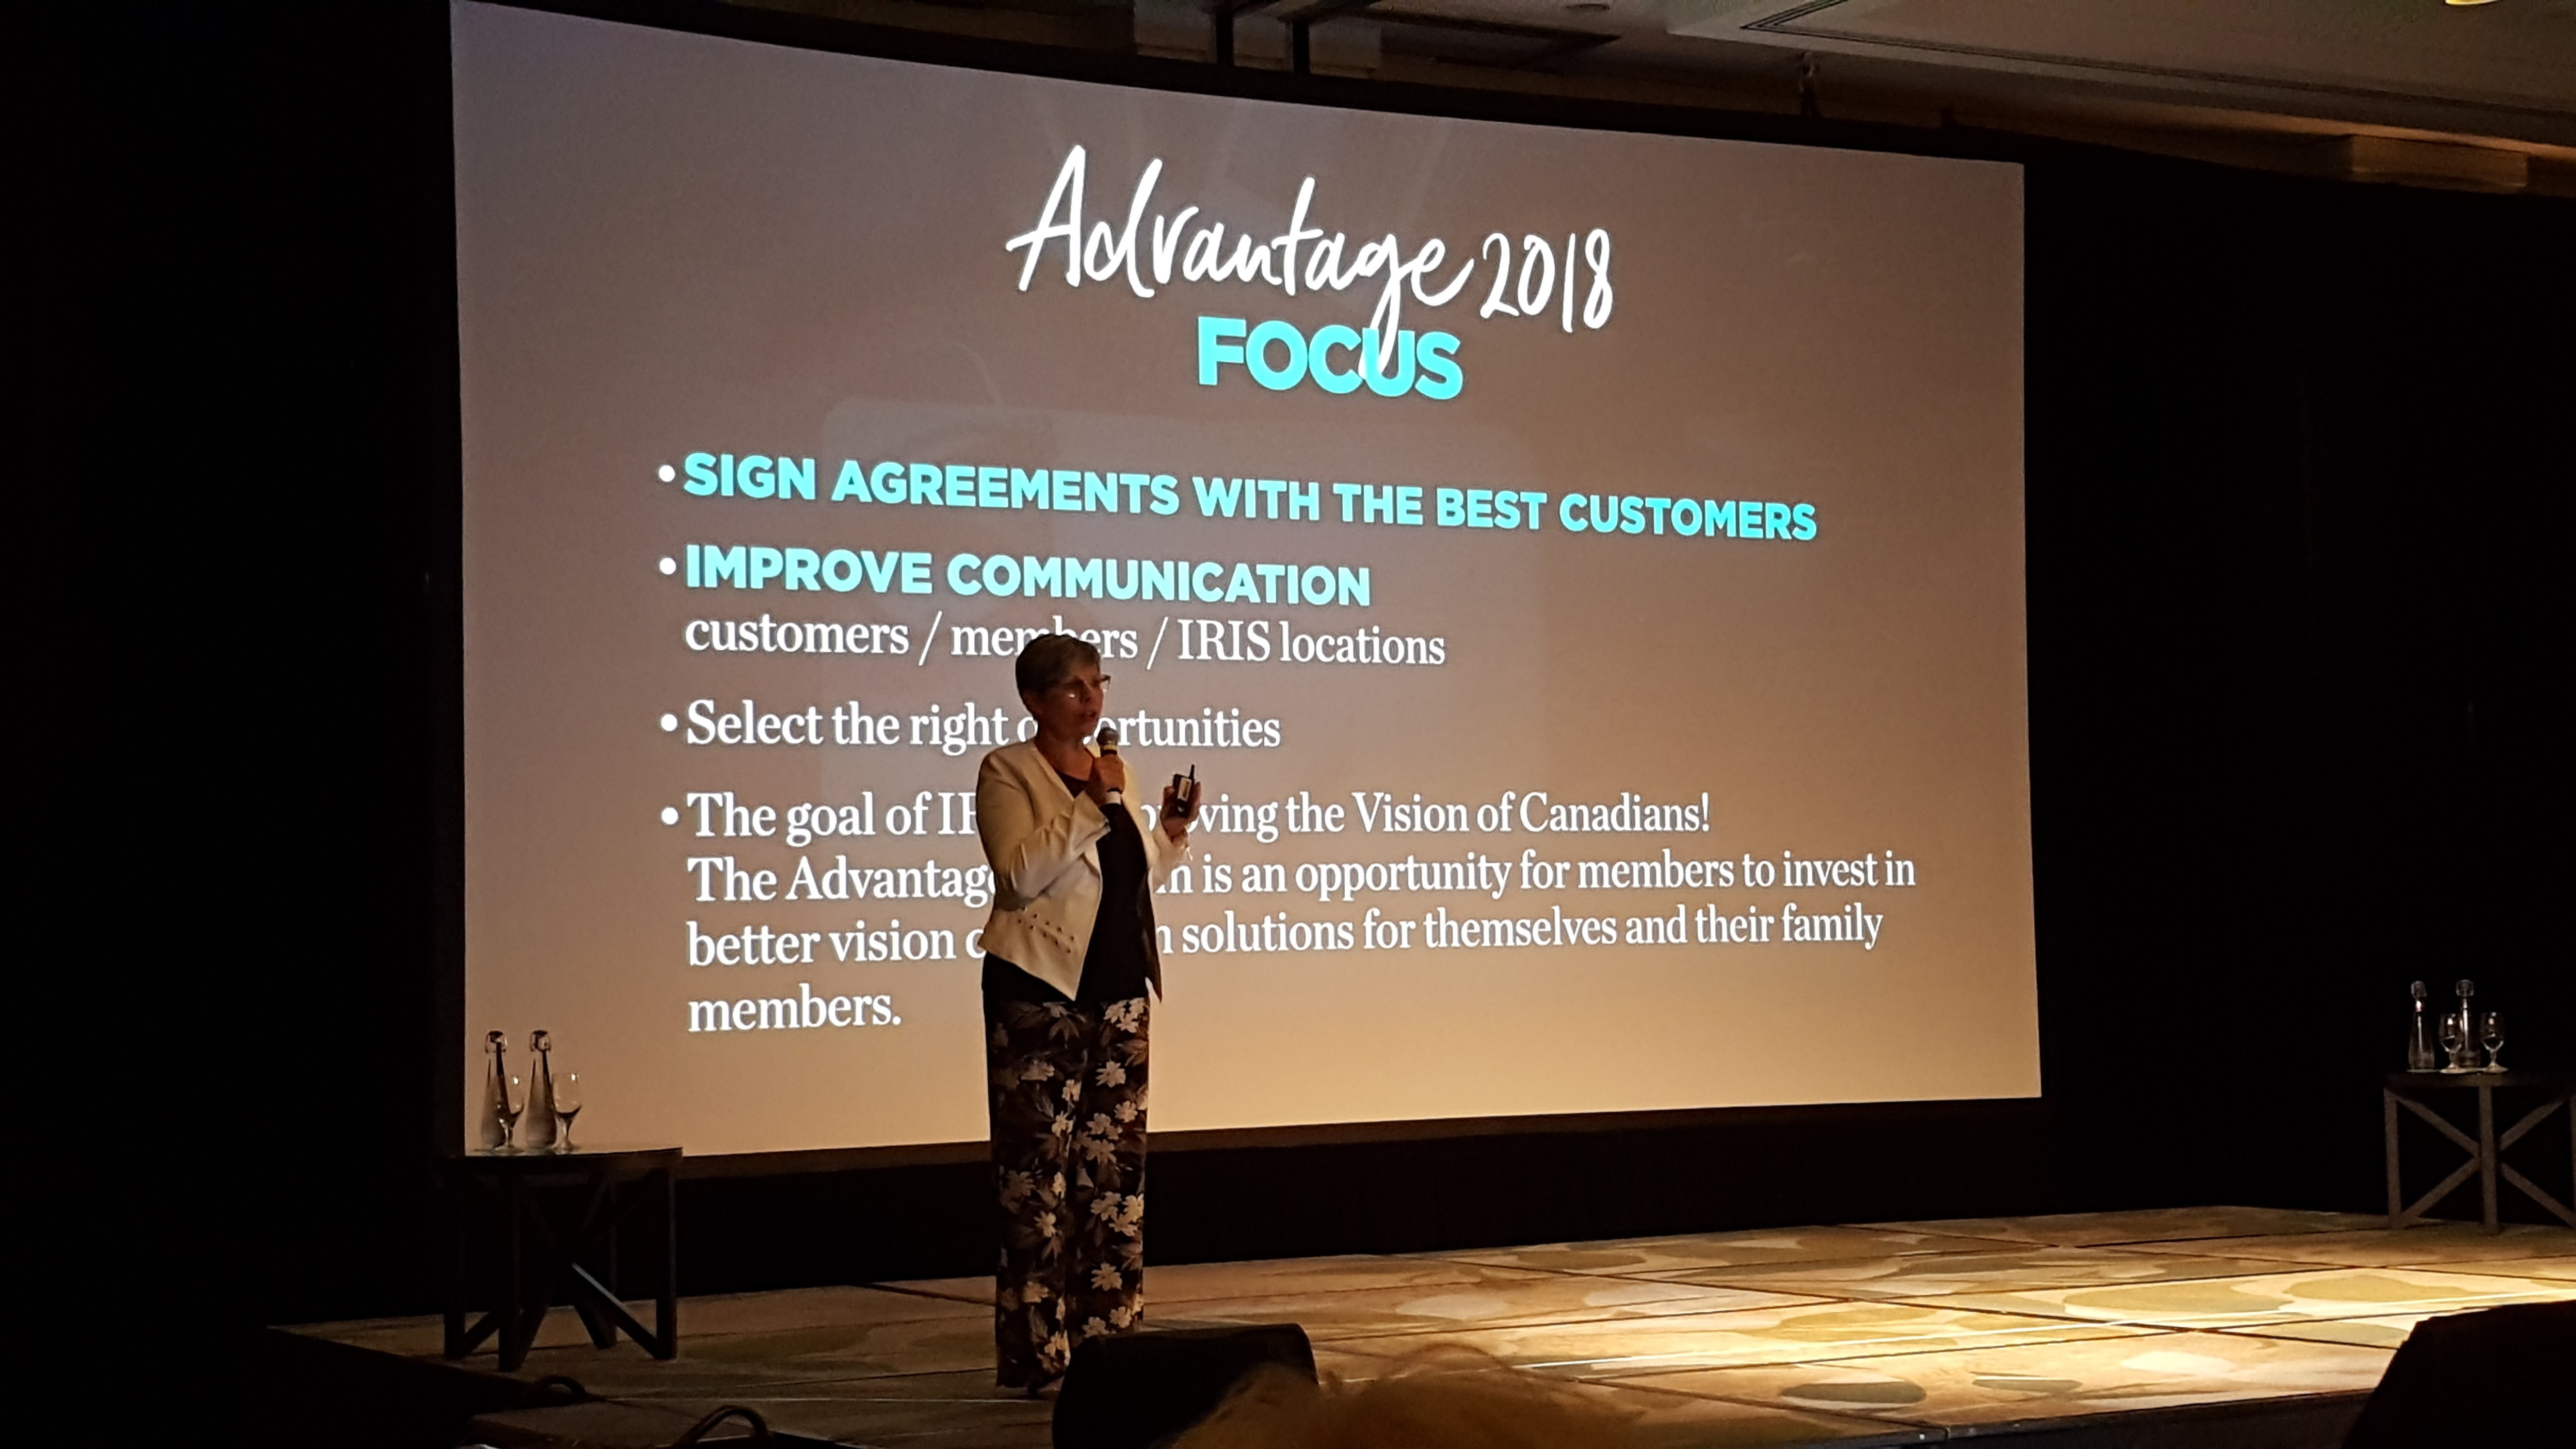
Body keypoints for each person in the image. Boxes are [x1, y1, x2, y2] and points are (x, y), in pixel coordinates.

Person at [974, 633, 1194, 1392]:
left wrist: (1167, 834)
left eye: (1098, 684)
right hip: (1039, 998)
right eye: (1074, 688)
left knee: (1114, 1185)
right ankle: (1040, 1356)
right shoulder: (1008, 771)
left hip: (1120, 998)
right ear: (1034, 700)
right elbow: (1019, 874)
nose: (1091, 699)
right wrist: (1090, 803)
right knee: (1037, 1185)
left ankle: (1112, 1350)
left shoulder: (1113, 773)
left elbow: (1121, 875)